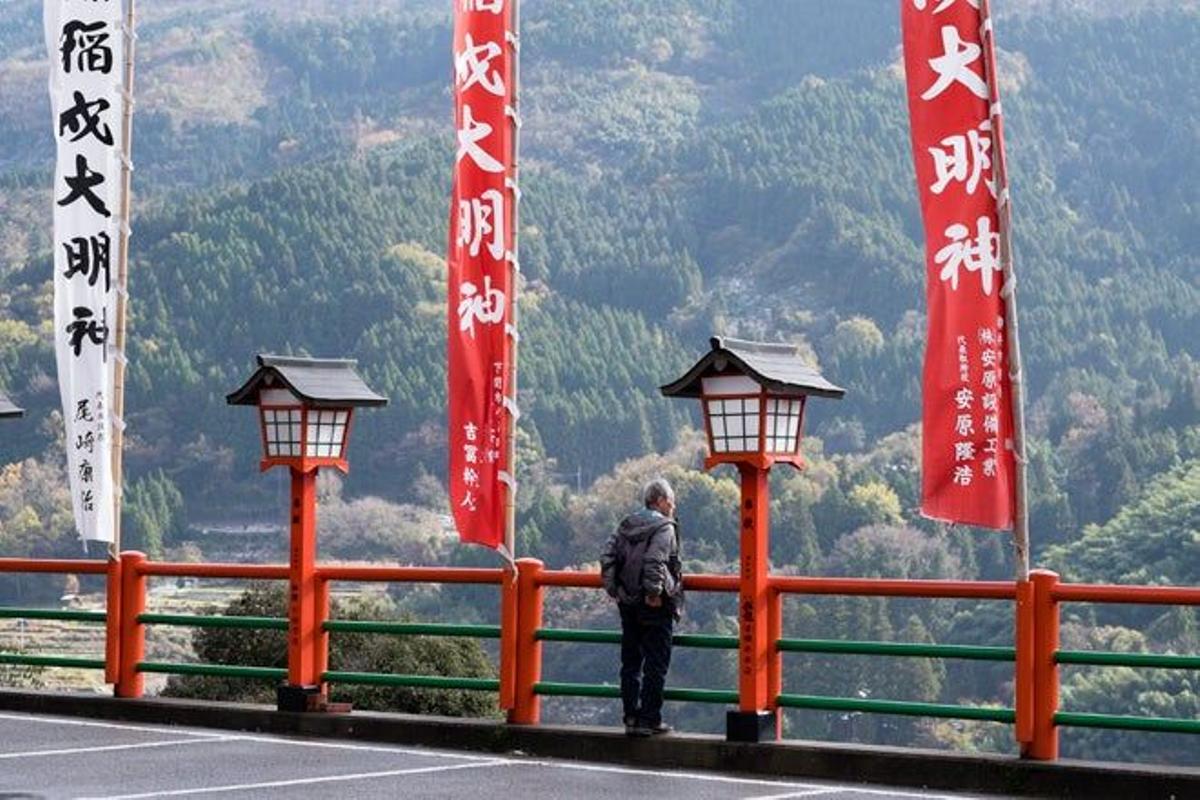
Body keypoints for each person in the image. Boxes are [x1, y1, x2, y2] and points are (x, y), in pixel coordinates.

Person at [600, 477, 683, 737]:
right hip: (653, 604)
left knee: (631, 662)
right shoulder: (664, 527)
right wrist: (654, 593)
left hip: (628, 602)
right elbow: (655, 561)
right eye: (671, 500)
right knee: (656, 664)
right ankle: (650, 719)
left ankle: (631, 718)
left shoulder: (627, 524)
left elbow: (607, 557)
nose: (673, 505)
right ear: (660, 501)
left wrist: (615, 590)